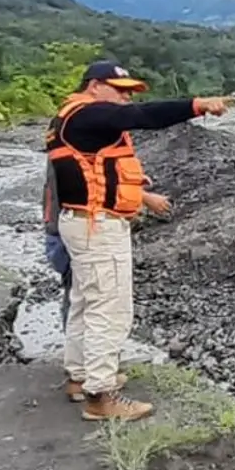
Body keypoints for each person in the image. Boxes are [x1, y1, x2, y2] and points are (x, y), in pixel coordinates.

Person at [46, 60, 229, 421]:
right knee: (108, 308)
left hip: (83, 223)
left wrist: (129, 187)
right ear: (95, 86)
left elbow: (96, 166)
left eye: (129, 92)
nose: (125, 99)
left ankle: (80, 375)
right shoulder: (88, 114)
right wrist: (197, 105)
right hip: (97, 227)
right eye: (120, 90)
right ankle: (100, 396)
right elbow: (145, 116)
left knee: (85, 302)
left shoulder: (71, 117)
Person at [43, 160, 172, 403]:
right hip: (84, 230)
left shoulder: (64, 143)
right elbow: (96, 186)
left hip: (63, 230)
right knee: (101, 307)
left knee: (81, 302)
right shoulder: (83, 144)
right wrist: (140, 195)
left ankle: (81, 376)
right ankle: (99, 389)